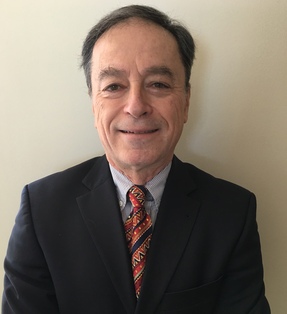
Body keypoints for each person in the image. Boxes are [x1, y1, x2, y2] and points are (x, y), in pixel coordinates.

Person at [2, 4, 270, 314]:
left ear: (185, 101)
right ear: (93, 104)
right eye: (113, 86)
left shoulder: (232, 211)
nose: (136, 106)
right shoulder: (41, 210)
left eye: (158, 84)